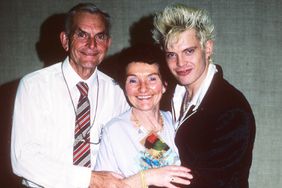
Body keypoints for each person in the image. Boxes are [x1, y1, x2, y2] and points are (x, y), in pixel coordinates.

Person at [11, 3, 130, 188]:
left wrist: (164, 152)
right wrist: (89, 179)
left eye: (100, 36)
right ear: (65, 40)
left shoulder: (117, 91)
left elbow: (138, 136)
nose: (92, 44)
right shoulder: (34, 86)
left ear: (108, 43)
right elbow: (23, 158)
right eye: (82, 35)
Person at [152, 3, 256, 188]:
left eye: (188, 51)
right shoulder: (168, 98)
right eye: (171, 55)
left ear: (207, 48)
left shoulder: (231, 109)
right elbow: (169, 155)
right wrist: (144, 138)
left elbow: (213, 183)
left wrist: (144, 179)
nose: (180, 63)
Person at [95, 45, 193, 187]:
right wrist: (146, 178)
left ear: (164, 85)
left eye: (152, 79)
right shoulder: (115, 130)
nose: (143, 88)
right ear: (124, 86)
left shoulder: (177, 121)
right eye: (133, 80)